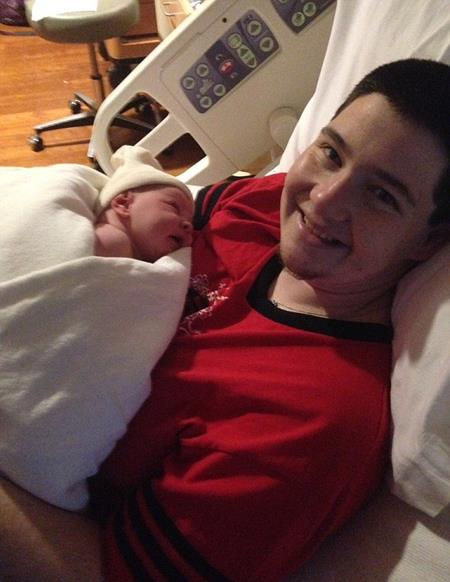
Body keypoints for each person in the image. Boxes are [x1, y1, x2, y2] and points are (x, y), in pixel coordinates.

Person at [1, 59, 449, 582]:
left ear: (427, 242)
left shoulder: (310, 423)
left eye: (382, 195)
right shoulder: (265, 206)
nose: (324, 199)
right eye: (331, 153)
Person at [0, 145, 194, 512]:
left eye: (190, 223)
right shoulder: (103, 235)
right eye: (173, 207)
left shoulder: (147, 275)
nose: (187, 225)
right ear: (123, 203)